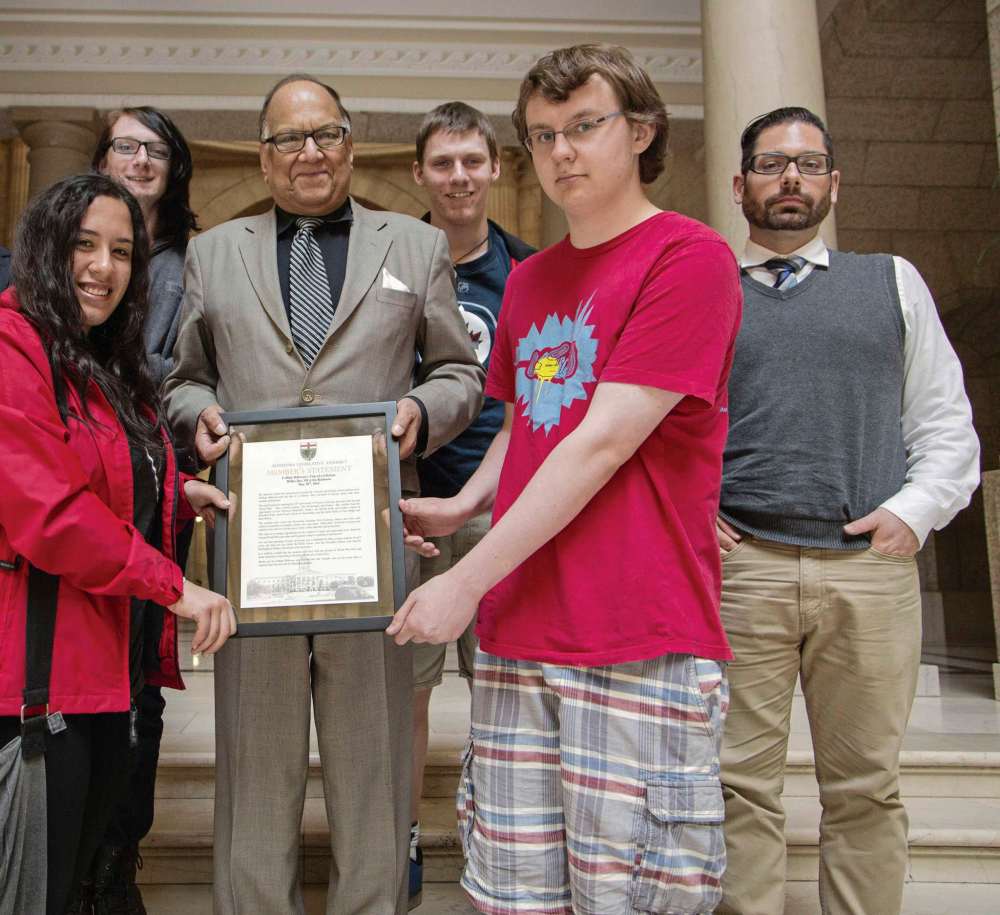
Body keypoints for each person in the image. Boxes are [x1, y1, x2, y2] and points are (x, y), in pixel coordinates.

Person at [388, 44, 742, 915]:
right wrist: (465, 501)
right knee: (515, 893)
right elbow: (529, 424)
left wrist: (465, 578)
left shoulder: (687, 257)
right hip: (521, 631)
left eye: (585, 126)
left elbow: (603, 441)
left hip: (636, 629)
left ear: (643, 130)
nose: (562, 153)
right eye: (544, 136)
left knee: (629, 896)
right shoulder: (533, 280)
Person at [162, 74, 483, 914]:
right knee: (253, 780)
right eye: (288, 139)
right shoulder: (213, 253)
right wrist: (200, 418)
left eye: (326, 134)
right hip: (257, 556)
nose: (309, 152)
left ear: (351, 143)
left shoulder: (413, 247)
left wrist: (421, 408)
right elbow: (183, 383)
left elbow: (460, 372)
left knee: (374, 780)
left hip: (371, 556)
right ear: (262, 157)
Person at [716, 106, 980, 915]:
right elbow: (662, 425)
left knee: (866, 784)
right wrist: (690, 512)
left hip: (870, 570)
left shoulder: (892, 280)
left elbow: (944, 422)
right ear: (740, 185)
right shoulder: (705, 291)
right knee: (734, 785)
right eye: (770, 163)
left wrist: (916, 508)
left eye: (807, 162)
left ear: (834, 181)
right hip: (741, 570)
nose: (789, 177)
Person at [0, 173, 235, 915]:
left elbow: (110, 476)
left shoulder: (101, 363)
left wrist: (175, 495)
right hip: (38, 686)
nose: (104, 266)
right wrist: (176, 583)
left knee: (75, 889)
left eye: (124, 251)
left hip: (107, 677)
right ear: (43, 249)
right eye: (84, 245)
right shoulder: (11, 344)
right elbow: (49, 510)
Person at [407, 100, 535, 905]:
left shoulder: (528, 274)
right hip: (410, 506)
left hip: (498, 506)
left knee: (503, 684)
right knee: (407, 688)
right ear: (419, 172)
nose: (458, 176)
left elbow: (537, 400)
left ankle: (498, 830)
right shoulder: (392, 261)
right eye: (442, 163)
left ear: (495, 169)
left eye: (472, 161)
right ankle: (406, 831)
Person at [90, 104, 200, 915]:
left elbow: (194, 374)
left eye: (154, 150)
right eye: (124, 146)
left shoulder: (193, 264)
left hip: (162, 481)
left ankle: (119, 855)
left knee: (140, 678)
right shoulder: (61, 258)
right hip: (80, 470)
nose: (138, 160)